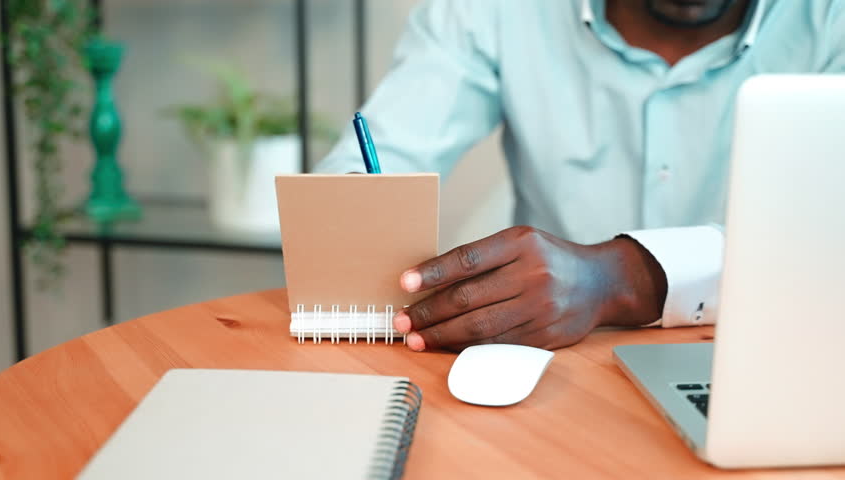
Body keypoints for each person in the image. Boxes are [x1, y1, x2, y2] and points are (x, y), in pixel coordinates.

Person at [315, 0, 845, 352]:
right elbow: (358, 177)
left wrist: (623, 278)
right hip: (552, 369)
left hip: (787, 350)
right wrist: (358, 221)